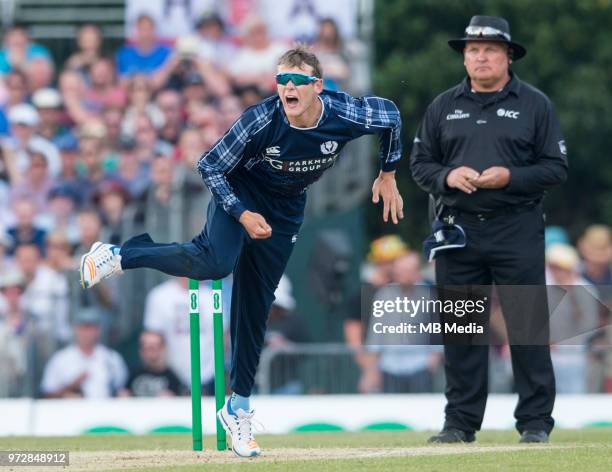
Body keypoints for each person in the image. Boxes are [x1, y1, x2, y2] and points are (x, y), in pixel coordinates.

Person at [79, 45, 404, 457]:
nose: (287, 87)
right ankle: (120, 254)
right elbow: (210, 164)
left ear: (317, 87)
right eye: (281, 80)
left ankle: (238, 407)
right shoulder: (260, 119)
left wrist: (388, 172)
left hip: (287, 207)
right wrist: (243, 212)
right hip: (241, 189)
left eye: (297, 81)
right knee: (214, 262)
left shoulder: (343, 112)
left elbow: (391, 115)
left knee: (255, 307)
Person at [410, 16, 567, 444]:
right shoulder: (443, 105)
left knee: (527, 328)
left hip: (517, 228)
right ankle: (460, 424)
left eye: (490, 49)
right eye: (472, 49)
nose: (480, 56)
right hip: (458, 232)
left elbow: (555, 167)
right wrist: (447, 176)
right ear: (464, 57)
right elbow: (421, 165)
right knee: (463, 333)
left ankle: (535, 423)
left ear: (508, 56)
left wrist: (509, 178)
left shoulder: (535, 104)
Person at [40, 307, 127, 398]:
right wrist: (71, 386)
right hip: (71, 411)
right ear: (75, 329)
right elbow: (46, 395)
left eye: (91, 328)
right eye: (83, 328)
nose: (87, 333)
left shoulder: (112, 357)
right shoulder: (60, 359)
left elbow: (121, 389)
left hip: (106, 411)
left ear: (99, 330)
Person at [119, 330, 183, 397]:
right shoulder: (132, 374)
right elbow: (122, 393)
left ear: (163, 348)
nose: (151, 353)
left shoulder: (173, 378)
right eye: (146, 347)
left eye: (154, 347)